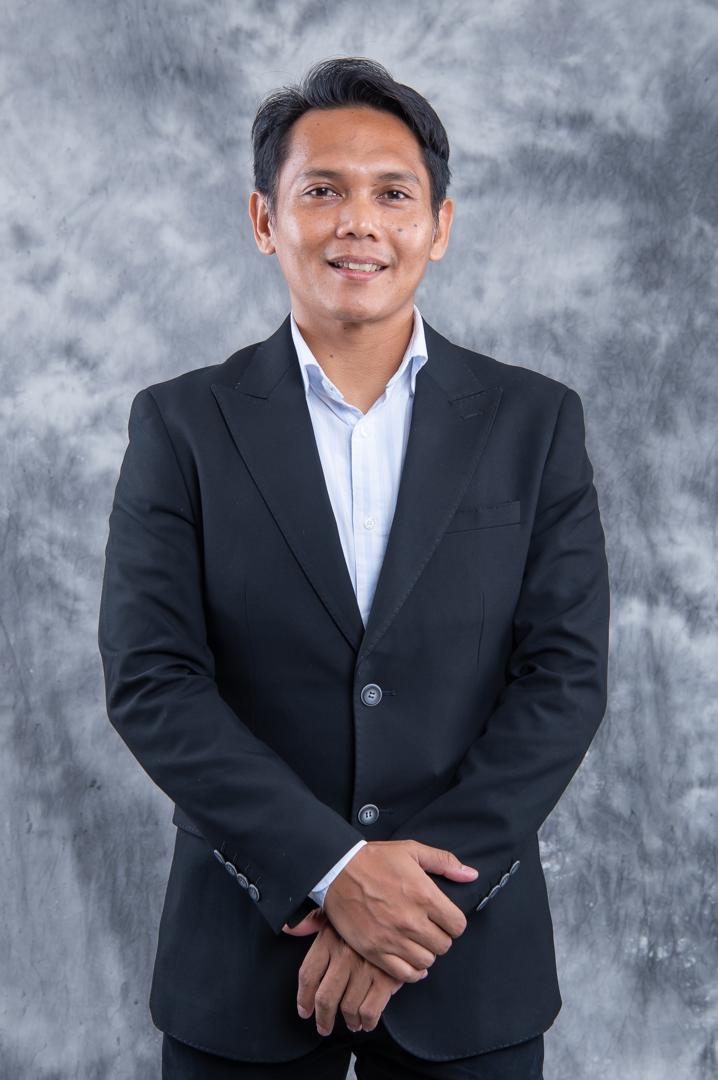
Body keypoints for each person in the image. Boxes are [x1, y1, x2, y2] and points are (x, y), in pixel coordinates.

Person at [98, 56, 610, 1079]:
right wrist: (331, 871)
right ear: (264, 219)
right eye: (322, 190)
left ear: (439, 225)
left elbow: (562, 678)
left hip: (468, 965)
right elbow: (154, 681)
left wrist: (412, 907)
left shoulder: (534, 422)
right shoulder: (180, 425)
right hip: (244, 968)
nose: (358, 223)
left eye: (393, 194)